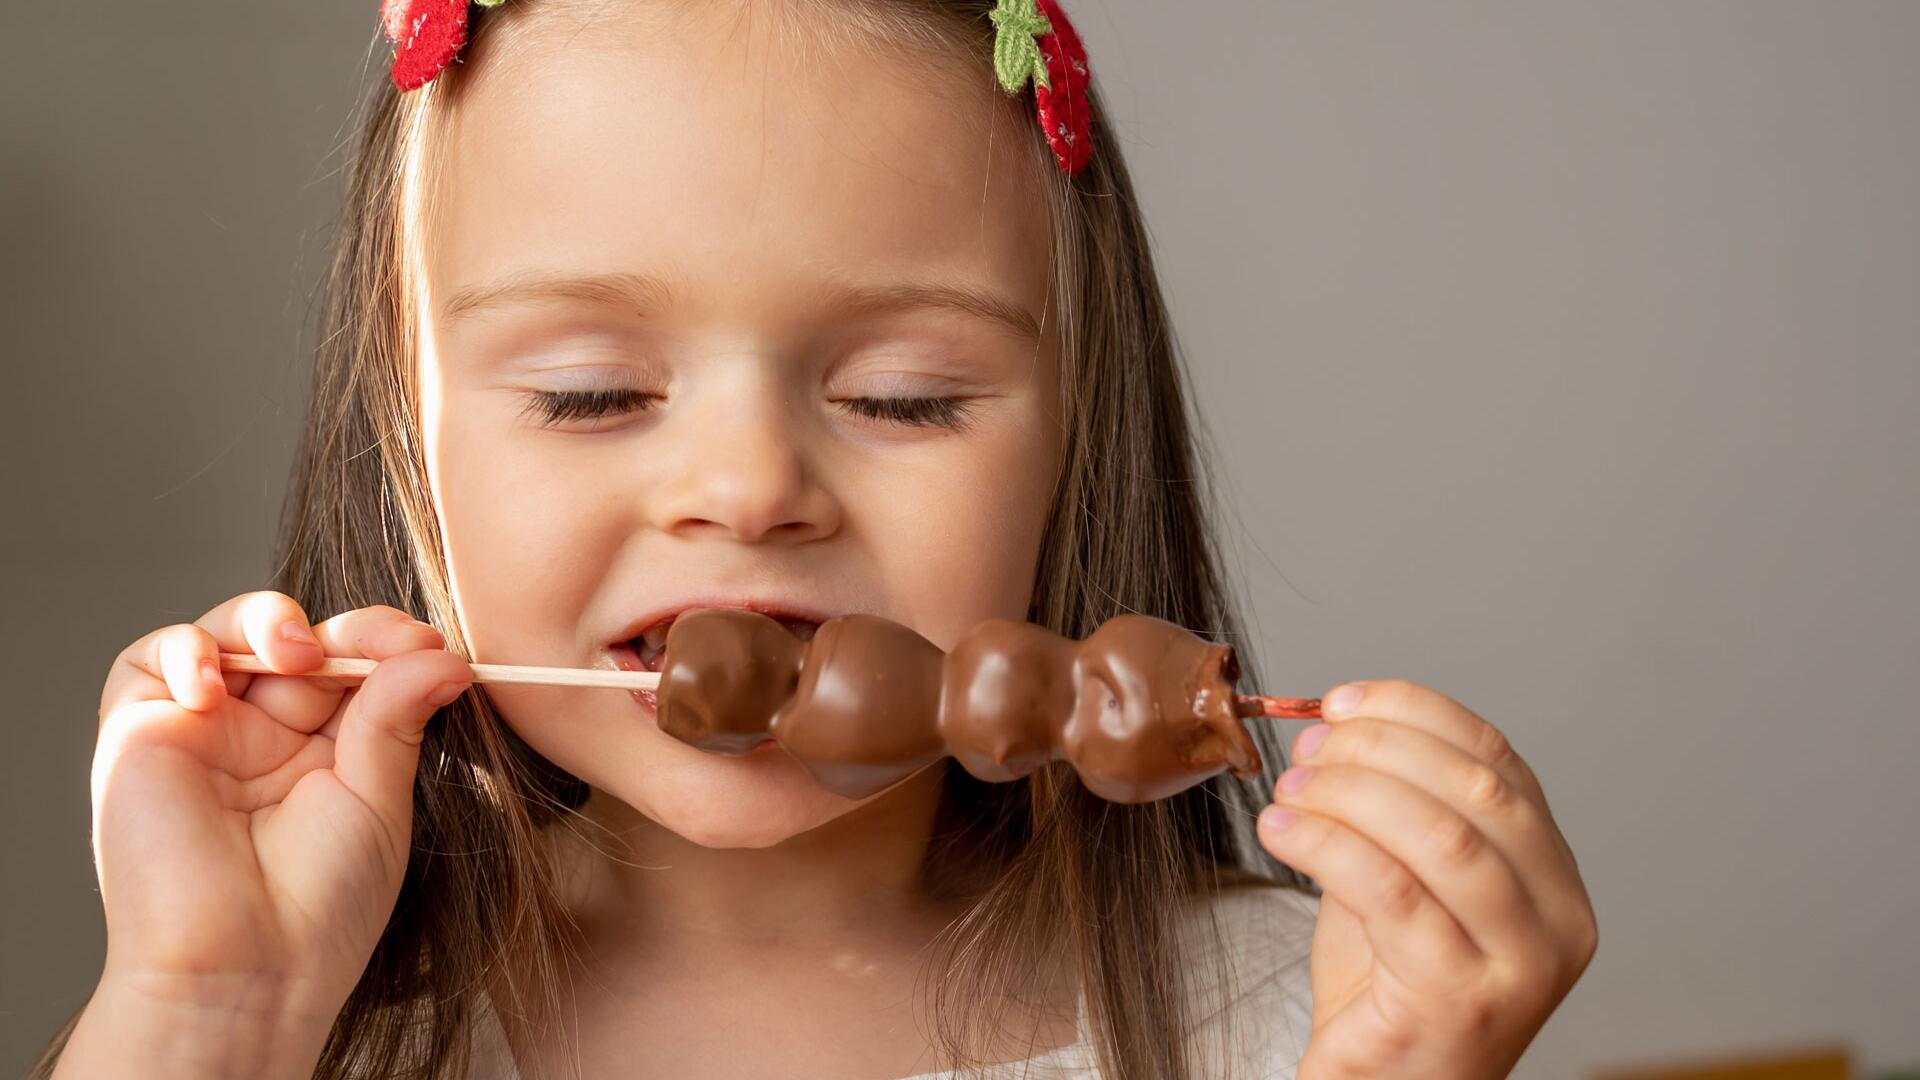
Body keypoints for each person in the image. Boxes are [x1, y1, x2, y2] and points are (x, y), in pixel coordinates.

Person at [38, 1, 1596, 1076]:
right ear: (410, 432)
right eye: (590, 393)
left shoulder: (1293, 1024)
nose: (748, 486)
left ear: (1077, 437)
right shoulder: (302, 1038)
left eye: (904, 399)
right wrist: (196, 1023)